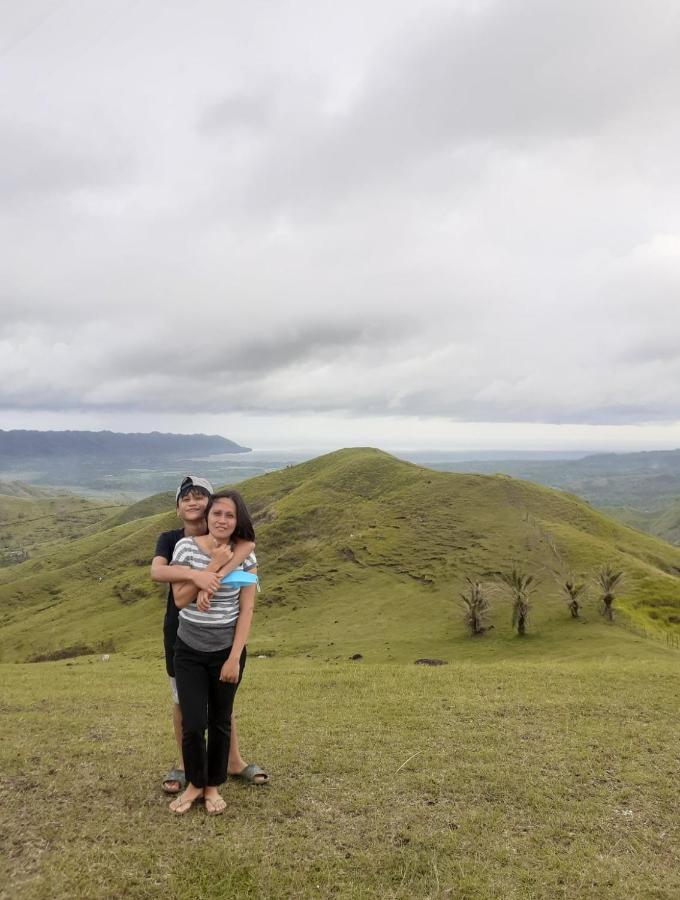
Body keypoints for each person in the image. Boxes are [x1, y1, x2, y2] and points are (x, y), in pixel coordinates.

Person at [150, 475, 268, 798]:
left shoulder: (234, 544)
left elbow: (248, 546)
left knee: (220, 708)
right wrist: (200, 576)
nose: (193, 501)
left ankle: (232, 762)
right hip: (180, 631)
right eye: (186, 497)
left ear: (211, 505)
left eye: (201, 496)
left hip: (221, 637)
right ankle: (187, 766)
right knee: (185, 704)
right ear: (177, 508)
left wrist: (214, 574)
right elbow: (159, 574)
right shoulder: (175, 541)